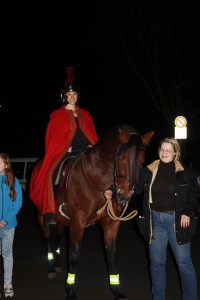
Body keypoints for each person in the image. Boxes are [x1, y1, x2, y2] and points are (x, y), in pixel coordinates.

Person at [29, 67, 98, 225]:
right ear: (64, 97)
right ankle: (50, 211)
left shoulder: (85, 114)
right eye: (69, 95)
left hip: (85, 152)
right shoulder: (57, 115)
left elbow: (92, 135)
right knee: (51, 173)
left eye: (74, 94)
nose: (72, 97)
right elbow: (53, 139)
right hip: (65, 153)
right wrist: (63, 148)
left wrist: (91, 146)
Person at [134, 137, 199, 300]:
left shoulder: (186, 173)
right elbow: (133, 189)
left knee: (184, 264)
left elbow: (194, 197)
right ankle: (158, 297)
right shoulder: (148, 171)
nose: (164, 153)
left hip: (177, 221)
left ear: (175, 152)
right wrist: (113, 193)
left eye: (168, 150)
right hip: (155, 221)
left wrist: (187, 212)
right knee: (156, 263)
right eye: (162, 149)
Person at [0, 153, 23, 298]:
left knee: (7, 255)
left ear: (6, 165)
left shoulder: (12, 181)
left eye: (0, 162)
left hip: (8, 226)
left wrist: (5, 220)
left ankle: (8, 284)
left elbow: (18, 202)